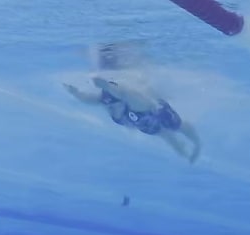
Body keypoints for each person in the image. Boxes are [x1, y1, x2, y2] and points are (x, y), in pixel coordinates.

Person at [64, 44, 202, 163]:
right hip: (139, 114)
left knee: (175, 126)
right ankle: (180, 149)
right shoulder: (107, 101)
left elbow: (127, 93)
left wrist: (104, 84)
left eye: (112, 105)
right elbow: (88, 99)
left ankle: (197, 144)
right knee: (162, 133)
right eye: (110, 105)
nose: (110, 107)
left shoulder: (131, 100)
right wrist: (75, 93)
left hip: (152, 108)